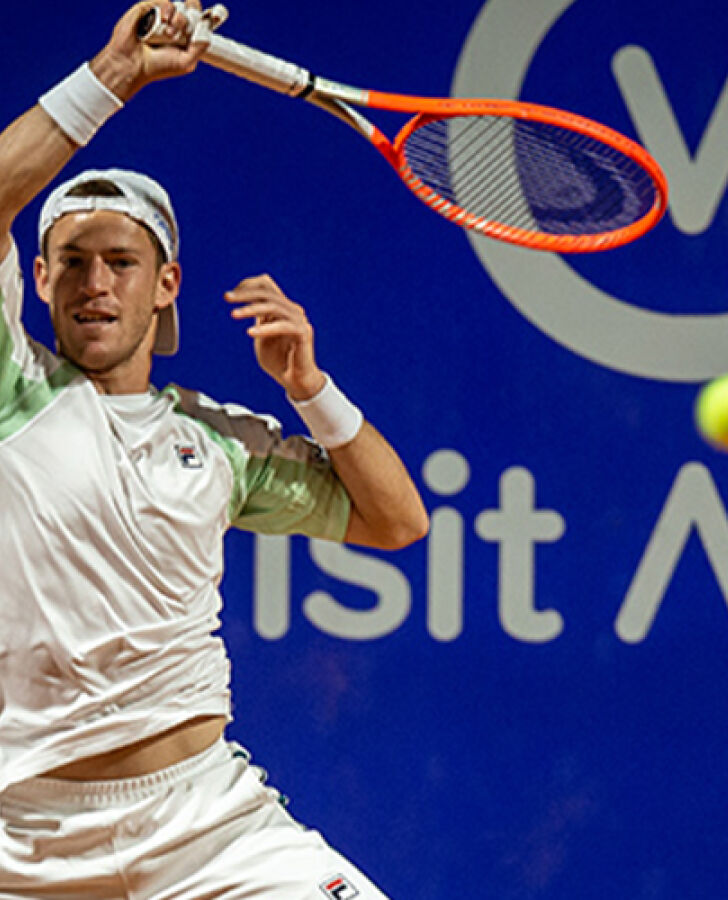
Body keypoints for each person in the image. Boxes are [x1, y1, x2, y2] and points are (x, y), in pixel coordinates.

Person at [0, 2, 429, 897]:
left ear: (167, 285)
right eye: (71, 261)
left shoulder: (218, 442)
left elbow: (396, 522)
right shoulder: (12, 386)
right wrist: (114, 75)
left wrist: (310, 389)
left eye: (119, 260)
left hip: (207, 830)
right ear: (36, 280)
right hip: (21, 844)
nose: (94, 283)